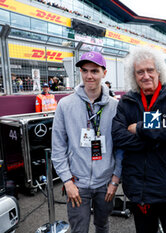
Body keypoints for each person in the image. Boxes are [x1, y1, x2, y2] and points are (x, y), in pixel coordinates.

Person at [112, 47, 166, 233]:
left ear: (159, 72)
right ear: (134, 75)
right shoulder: (127, 101)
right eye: (140, 71)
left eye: (150, 70)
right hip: (140, 191)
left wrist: (139, 128)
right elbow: (118, 136)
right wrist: (158, 136)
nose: (145, 76)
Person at [51, 51, 120, 233]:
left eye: (95, 71)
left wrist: (115, 180)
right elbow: (58, 148)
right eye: (85, 70)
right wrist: (67, 181)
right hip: (77, 184)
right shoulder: (65, 105)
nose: (89, 76)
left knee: (102, 226)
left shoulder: (115, 107)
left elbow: (121, 148)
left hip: (105, 183)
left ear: (104, 73)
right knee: (79, 229)